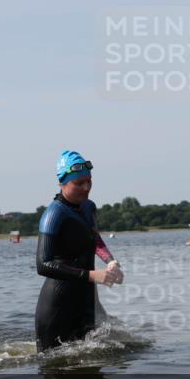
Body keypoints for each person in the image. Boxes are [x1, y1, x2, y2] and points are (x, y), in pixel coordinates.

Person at [34, 150, 123, 352]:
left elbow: (94, 238)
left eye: (89, 181)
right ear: (63, 182)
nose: (86, 188)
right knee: (57, 368)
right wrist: (92, 275)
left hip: (86, 299)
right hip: (58, 306)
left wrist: (110, 260)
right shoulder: (53, 215)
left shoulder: (89, 207)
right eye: (79, 183)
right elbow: (43, 264)